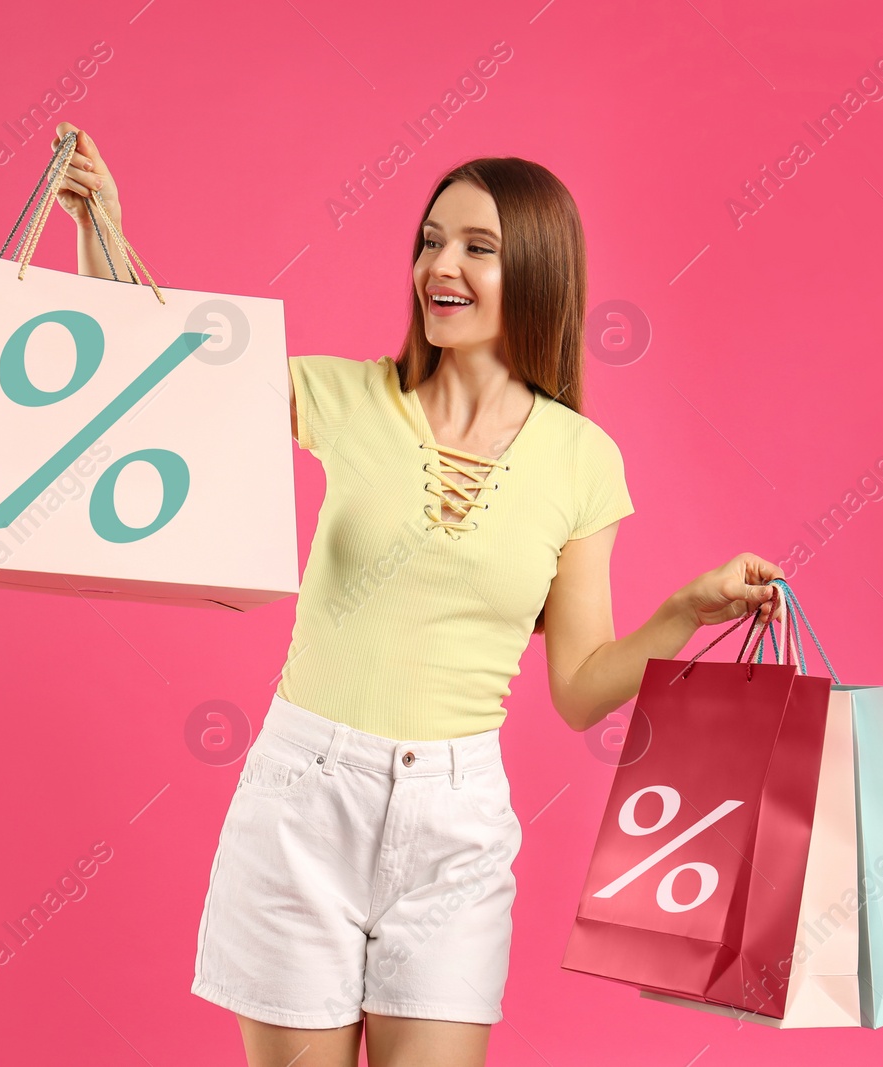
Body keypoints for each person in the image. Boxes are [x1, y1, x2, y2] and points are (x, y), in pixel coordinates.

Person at [50, 120, 787, 1067]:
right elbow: (158, 386)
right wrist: (101, 230)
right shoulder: (347, 397)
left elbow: (580, 686)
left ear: (536, 273)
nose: (442, 262)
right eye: (432, 239)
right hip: (301, 804)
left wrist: (687, 611)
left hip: (455, 825)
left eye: (479, 246)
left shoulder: (582, 460)